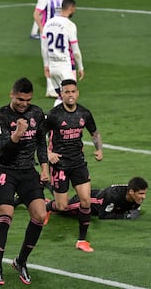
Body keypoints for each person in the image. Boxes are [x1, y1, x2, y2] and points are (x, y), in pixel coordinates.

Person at [0, 77, 49, 285]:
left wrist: (44, 168)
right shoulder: (1, 117)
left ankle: (21, 261)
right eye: (20, 99)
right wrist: (17, 134)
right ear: (12, 94)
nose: (24, 103)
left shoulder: (37, 113)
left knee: (40, 215)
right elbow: (3, 151)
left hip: (28, 171)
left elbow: (42, 142)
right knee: (6, 214)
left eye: (28, 100)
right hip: (6, 171)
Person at [43, 79, 103, 252]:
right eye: (66, 92)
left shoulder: (84, 113)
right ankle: (48, 206)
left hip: (78, 163)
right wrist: (48, 154)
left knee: (86, 201)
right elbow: (38, 137)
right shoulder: (54, 115)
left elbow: (94, 132)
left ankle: (82, 240)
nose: (70, 95)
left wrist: (99, 149)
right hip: (60, 164)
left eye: (73, 92)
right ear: (61, 94)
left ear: (77, 93)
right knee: (62, 206)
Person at [41, 0, 84, 106]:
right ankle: (60, 121)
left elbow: (43, 47)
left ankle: (53, 120)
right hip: (65, 67)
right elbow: (76, 51)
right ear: (71, 8)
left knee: (61, 97)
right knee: (70, 97)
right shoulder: (70, 25)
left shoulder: (48, 23)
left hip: (53, 67)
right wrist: (81, 67)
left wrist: (46, 65)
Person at [45, 177, 148, 219]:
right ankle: (43, 205)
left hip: (97, 199)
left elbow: (134, 210)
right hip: (89, 200)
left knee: (61, 202)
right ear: (131, 192)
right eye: (141, 193)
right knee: (61, 207)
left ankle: (46, 184)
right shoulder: (114, 196)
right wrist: (125, 216)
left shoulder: (136, 198)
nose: (144, 197)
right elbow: (103, 215)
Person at [33, 0, 65, 98]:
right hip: (47, 36)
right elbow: (36, 14)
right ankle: (50, 88)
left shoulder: (63, 0)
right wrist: (41, 29)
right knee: (48, 61)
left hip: (58, 36)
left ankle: (57, 87)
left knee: (58, 60)